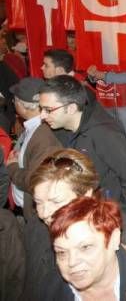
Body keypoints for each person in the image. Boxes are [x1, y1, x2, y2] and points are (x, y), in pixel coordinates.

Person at [23, 149, 126, 301]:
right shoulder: (35, 229)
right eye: (38, 203)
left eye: (56, 201)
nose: (44, 213)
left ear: (86, 195)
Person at [38, 75, 126, 217]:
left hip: (105, 216)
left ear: (71, 108)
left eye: (48, 110)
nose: (42, 116)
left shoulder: (104, 134)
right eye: (41, 109)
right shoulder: (61, 130)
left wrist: (116, 219)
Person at [6, 77, 61, 220]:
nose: (12, 103)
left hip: (34, 215)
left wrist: (12, 167)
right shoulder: (33, 127)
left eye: (15, 100)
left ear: (23, 106)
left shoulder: (44, 137)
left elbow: (35, 181)